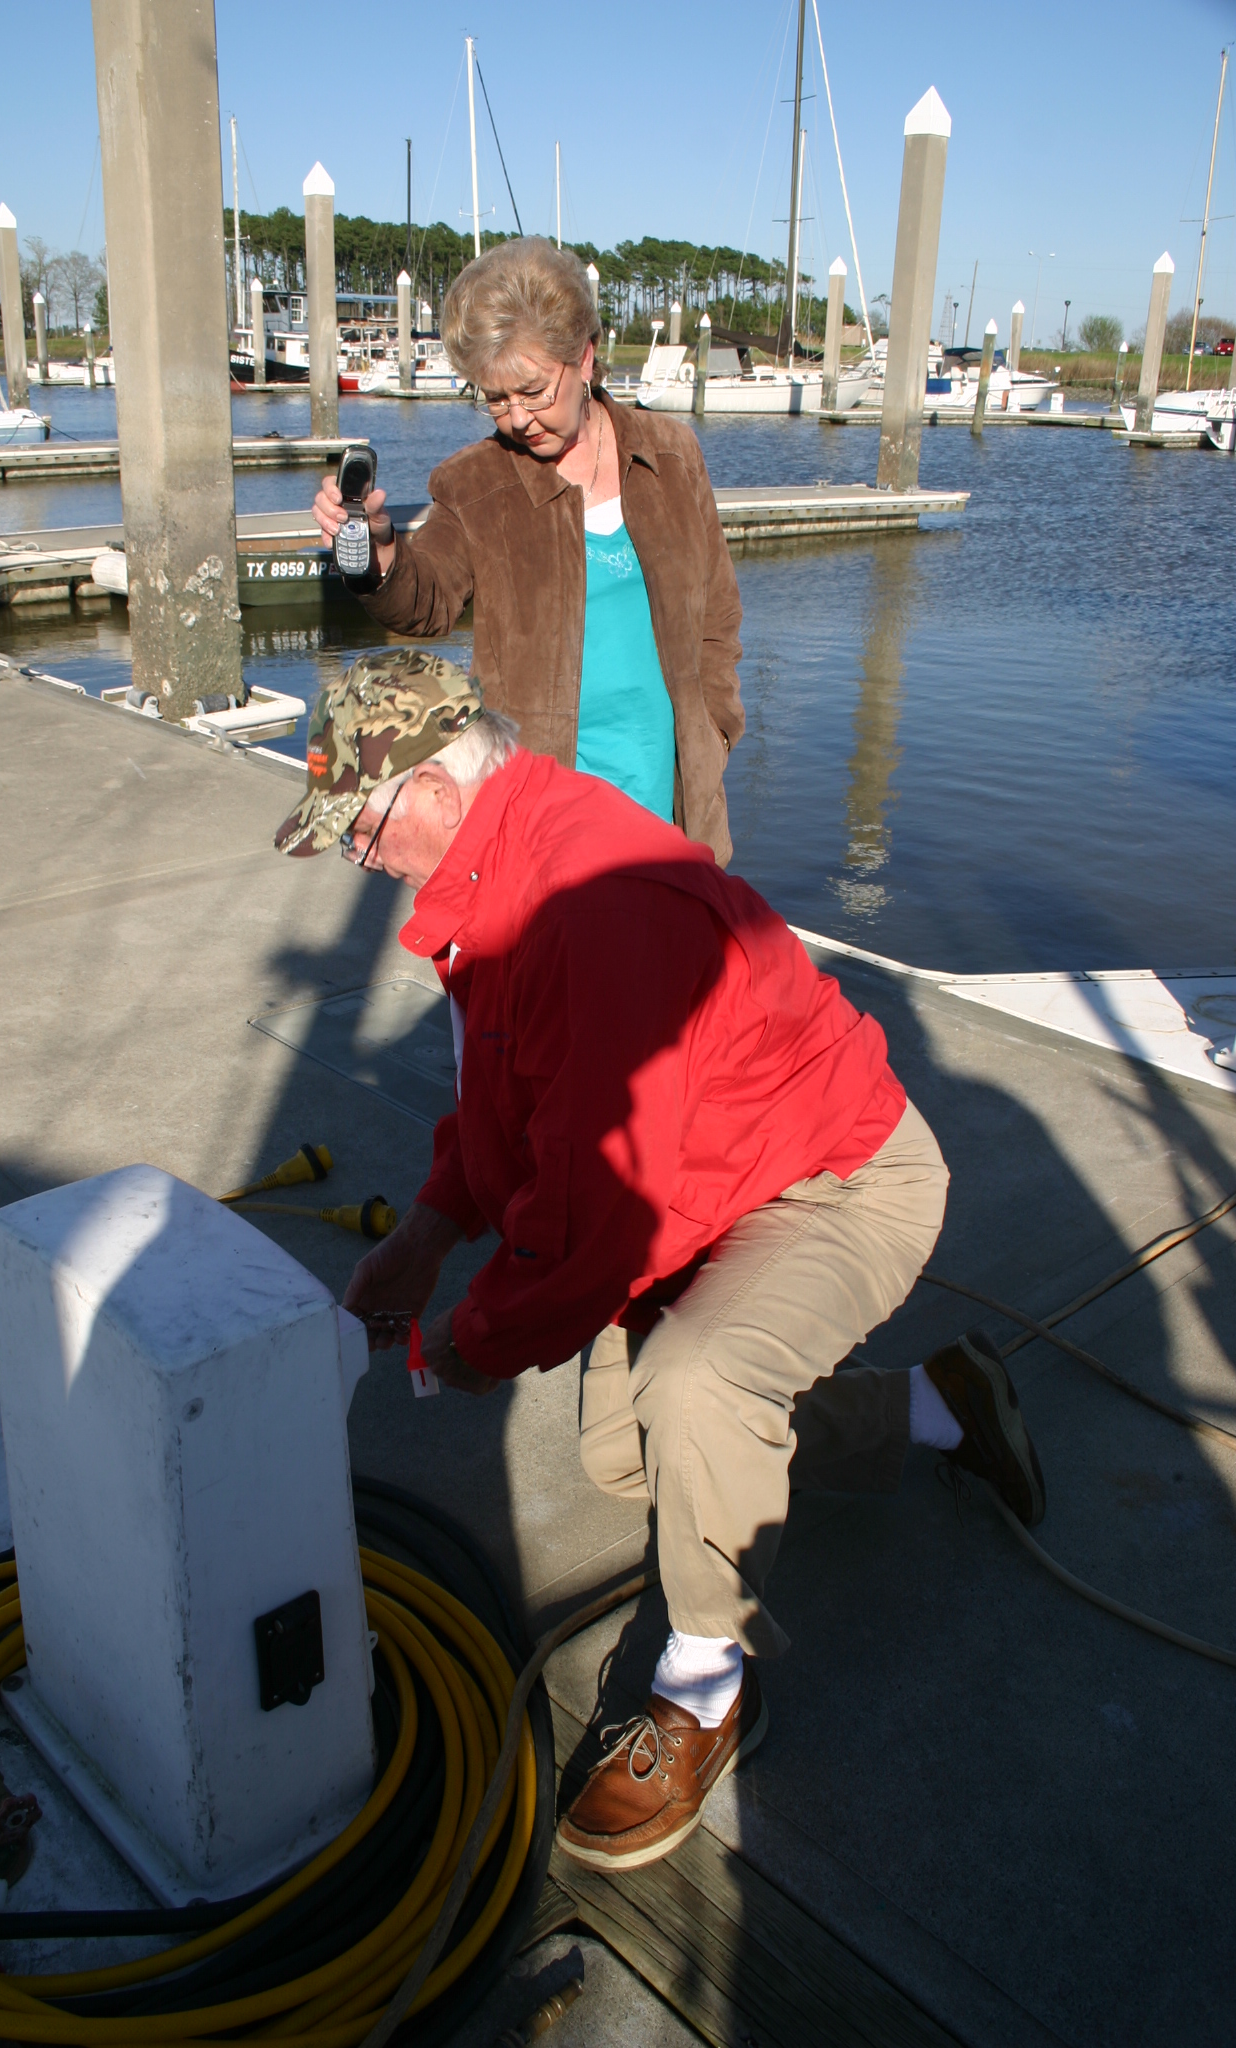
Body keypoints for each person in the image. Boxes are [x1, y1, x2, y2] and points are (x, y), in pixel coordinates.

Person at [275, 651, 1047, 1874]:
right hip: (718, 1186)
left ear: (431, 788)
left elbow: (598, 1214)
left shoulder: (588, 905)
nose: (359, 857)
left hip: (838, 1180)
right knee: (625, 1449)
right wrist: (426, 1236)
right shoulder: (494, 872)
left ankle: (703, 1691)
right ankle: (941, 1405)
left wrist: (477, 1338)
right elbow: (509, 1112)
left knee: (693, 1384)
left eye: (360, 829)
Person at [310, 237, 744, 863]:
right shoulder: (475, 483)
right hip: (542, 822)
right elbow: (426, 600)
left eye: (534, 391)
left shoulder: (672, 457)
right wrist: (381, 559)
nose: (516, 418)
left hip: (675, 808)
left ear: (585, 357)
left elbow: (718, 618)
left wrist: (715, 731)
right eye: (495, 398)